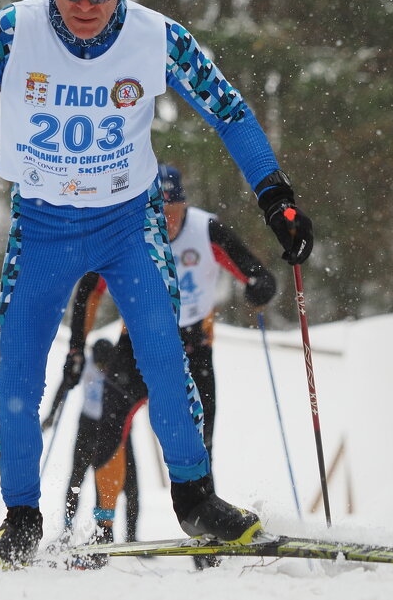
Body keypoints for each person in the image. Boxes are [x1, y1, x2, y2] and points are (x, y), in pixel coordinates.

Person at [0, 0, 313, 570]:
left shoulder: (157, 37)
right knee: (16, 375)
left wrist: (277, 197)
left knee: (163, 348)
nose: (87, 4)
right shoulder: (12, 31)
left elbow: (228, 109)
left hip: (130, 223)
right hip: (41, 226)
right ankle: (20, 516)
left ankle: (195, 499)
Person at [51, 163, 278, 568]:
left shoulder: (207, 230)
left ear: (184, 203)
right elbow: (89, 289)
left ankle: (207, 538)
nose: (166, 221)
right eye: (158, 211)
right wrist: (75, 348)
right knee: (109, 429)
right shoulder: (128, 229)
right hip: (137, 341)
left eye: (172, 211)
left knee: (198, 443)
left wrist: (259, 286)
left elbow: (256, 271)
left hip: (192, 345)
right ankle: (103, 532)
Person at [41, 337, 140, 542]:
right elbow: (64, 386)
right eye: (99, 364)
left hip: (116, 428)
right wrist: (52, 414)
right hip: (88, 426)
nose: (102, 369)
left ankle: (129, 535)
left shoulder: (119, 365)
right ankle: (67, 530)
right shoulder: (84, 362)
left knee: (128, 483)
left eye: (106, 365)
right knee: (77, 477)